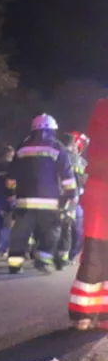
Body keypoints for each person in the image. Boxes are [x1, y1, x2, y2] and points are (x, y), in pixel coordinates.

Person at [5, 113, 78, 274]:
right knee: (52, 230)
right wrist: (70, 194)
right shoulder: (57, 147)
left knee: (20, 234)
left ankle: (14, 265)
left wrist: (10, 195)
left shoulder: (22, 147)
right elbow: (66, 175)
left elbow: (11, 175)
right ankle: (42, 258)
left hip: (24, 201)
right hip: (49, 202)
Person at [70, 101, 108, 329]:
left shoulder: (102, 108)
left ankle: (85, 314)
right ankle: (101, 315)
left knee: (93, 256)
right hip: (100, 193)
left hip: (97, 193)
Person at [57, 131, 90, 267]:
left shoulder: (55, 156)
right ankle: (66, 256)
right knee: (73, 228)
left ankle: (57, 255)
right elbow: (84, 180)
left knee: (60, 227)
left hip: (57, 196)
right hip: (73, 199)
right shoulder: (80, 161)